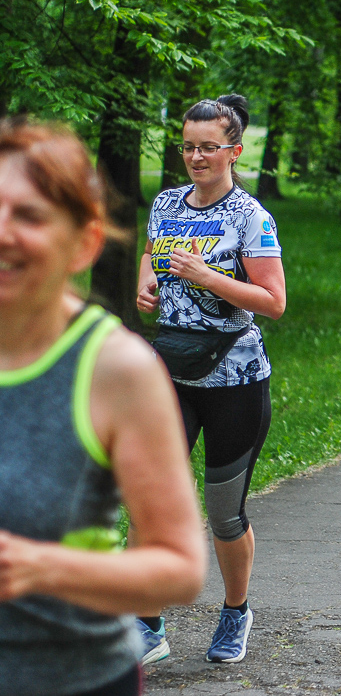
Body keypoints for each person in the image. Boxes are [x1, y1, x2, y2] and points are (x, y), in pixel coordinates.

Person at [0, 120, 206, 695]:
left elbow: (180, 567)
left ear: (85, 243)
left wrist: (40, 568)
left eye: (29, 216)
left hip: (74, 679)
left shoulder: (117, 368)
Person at [135, 95, 286, 665]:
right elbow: (152, 251)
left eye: (208, 147)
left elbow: (273, 302)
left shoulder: (251, 217)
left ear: (234, 152)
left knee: (224, 512)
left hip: (234, 379)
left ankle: (235, 611)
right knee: (151, 502)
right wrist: (147, 282)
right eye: (188, 147)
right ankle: (147, 625)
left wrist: (207, 276)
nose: (196, 157)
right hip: (170, 374)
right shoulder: (167, 202)